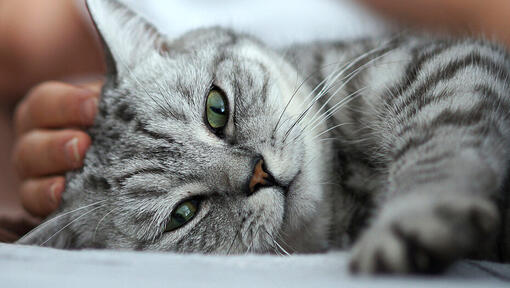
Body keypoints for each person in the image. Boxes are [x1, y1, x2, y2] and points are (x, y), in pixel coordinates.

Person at [1, 0, 509, 242]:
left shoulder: (326, 78)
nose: (251, 176)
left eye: (218, 113)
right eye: (185, 212)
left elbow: (474, 63)